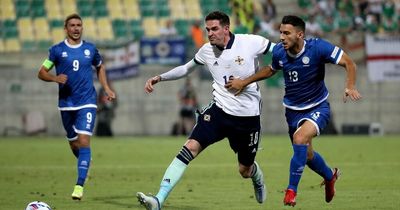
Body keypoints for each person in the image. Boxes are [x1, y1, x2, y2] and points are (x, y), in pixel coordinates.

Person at [137, 11, 275, 210]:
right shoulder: (206, 51)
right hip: (218, 112)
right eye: (208, 29)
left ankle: (256, 176)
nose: (210, 33)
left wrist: (247, 81)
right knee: (190, 147)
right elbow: (186, 68)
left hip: (247, 118)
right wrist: (159, 77)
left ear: (226, 28)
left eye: (214, 29)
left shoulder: (251, 42)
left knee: (244, 169)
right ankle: (158, 199)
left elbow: (279, 55)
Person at [225, 15, 362, 207]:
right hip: (292, 111)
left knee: (299, 139)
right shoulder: (280, 52)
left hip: (317, 107)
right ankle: (330, 176)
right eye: (280, 32)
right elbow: (271, 69)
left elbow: (350, 63)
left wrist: (350, 86)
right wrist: (244, 81)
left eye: (286, 33)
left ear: (300, 34)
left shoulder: (318, 48)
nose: (281, 37)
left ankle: (291, 191)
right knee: (306, 156)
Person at [37, 13, 116, 200]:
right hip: (66, 104)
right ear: (66, 28)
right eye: (72, 25)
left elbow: (100, 66)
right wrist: (54, 78)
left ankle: (79, 185)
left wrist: (106, 87)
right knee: (74, 144)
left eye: (79, 25)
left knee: (84, 142)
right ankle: (85, 162)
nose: (76, 28)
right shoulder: (56, 51)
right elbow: (41, 72)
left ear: (82, 27)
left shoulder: (90, 49)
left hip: (87, 102)